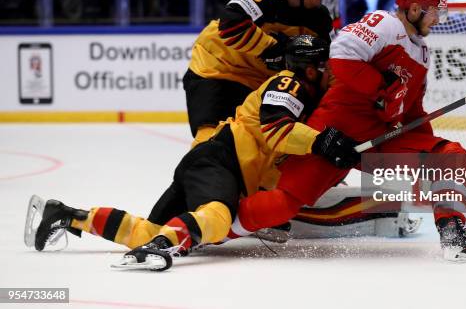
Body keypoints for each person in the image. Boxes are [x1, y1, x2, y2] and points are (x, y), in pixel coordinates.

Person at [25, 35, 360, 271]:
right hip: (221, 160)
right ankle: (160, 249)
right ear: (311, 69)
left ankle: (68, 215)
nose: (334, 72)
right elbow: (276, 128)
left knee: (146, 230)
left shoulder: (305, 94)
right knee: (218, 214)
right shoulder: (289, 84)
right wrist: (322, 142)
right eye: (327, 66)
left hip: (207, 160)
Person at [227, 0, 466, 262]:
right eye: (434, 12)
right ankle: (212, 229)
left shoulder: (421, 52)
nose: (437, 20)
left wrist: (426, 147)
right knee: (284, 204)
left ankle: (453, 234)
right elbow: (341, 56)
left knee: (448, 155)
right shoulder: (385, 24)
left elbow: (412, 112)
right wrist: (381, 89)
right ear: (416, 8)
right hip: (334, 135)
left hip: (377, 141)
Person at [185, 0, 334, 146]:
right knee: (212, 141)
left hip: (258, 82)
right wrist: (274, 49)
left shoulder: (320, 18)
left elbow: (324, 64)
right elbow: (230, 25)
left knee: (257, 148)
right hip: (217, 68)